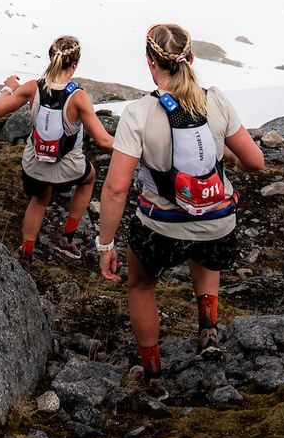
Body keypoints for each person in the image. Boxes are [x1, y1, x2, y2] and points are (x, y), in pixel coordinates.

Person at [96, 22, 266, 394]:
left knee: (141, 285)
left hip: (161, 228)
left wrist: (105, 244)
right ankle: (208, 330)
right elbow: (255, 161)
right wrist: (228, 160)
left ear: (149, 62)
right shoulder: (216, 100)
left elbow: (116, 187)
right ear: (191, 57)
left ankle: (155, 376)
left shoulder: (139, 113)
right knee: (206, 249)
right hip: (219, 223)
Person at [0, 34, 115, 261]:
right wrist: (135, 148)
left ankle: (26, 252)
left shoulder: (32, 88)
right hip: (67, 167)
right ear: (74, 65)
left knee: (39, 199)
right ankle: (67, 240)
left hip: (34, 165)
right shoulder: (78, 97)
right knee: (89, 178)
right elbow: (103, 141)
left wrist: (9, 88)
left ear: (50, 57)